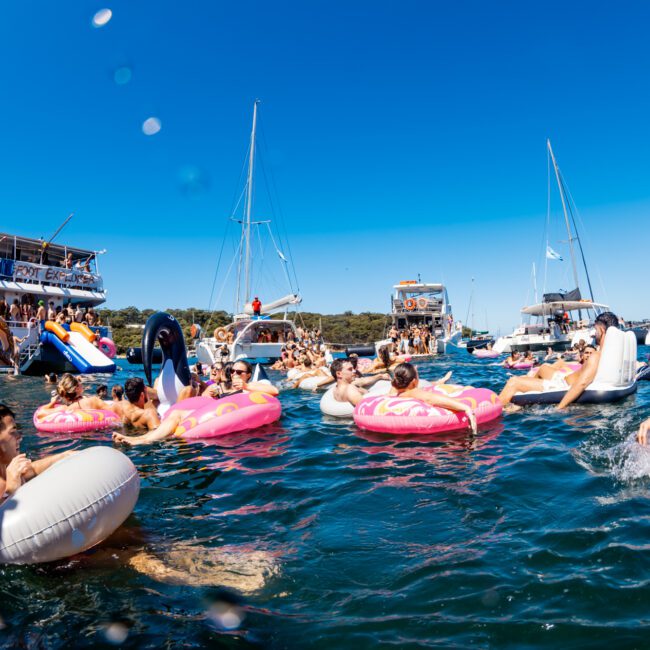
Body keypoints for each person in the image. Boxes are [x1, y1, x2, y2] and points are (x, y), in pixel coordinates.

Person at [498, 312, 619, 409]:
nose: (594, 334)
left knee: (514, 382)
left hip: (560, 385)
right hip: (563, 380)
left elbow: (581, 384)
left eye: (596, 330)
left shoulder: (597, 356)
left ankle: (494, 408)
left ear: (602, 331)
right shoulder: (611, 354)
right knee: (543, 368)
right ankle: (518, 398)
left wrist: (560, 407)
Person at [0, 404, 74, 501]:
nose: (20, 436)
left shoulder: (8, 471)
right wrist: (10, 492)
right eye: (13, 431)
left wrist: (65, 455)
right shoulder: (5, 484)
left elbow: (32, 469)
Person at [389, 363, 477, 434]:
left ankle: (441, 381)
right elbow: (430, 398)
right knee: (468, 388)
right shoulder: (413, 392)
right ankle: (442, 381)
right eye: (418, 375)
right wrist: (466, 408)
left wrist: (411, 371)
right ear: (414, 382)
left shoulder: (395, 391)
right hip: (435, 436)